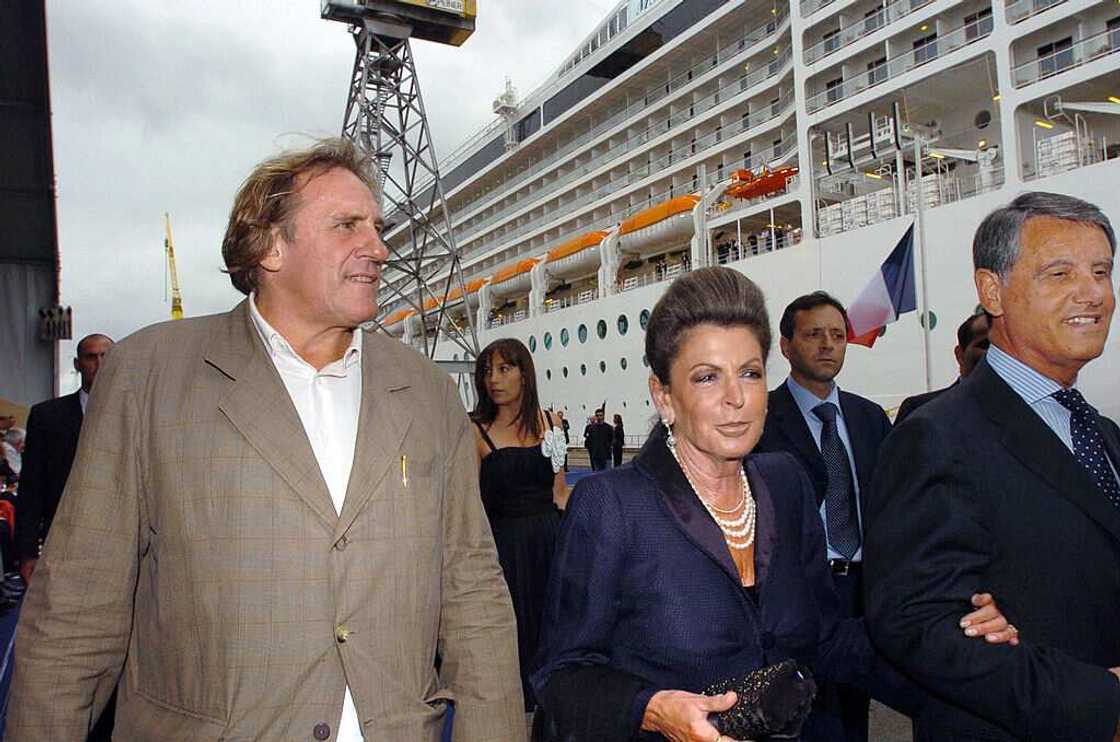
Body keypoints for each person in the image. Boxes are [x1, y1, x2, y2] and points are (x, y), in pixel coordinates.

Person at [7, 138, 525, 742]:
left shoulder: (428, 393)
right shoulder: (150, 376)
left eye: (377, 228)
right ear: (271, 246)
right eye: (347, 226)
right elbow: (74, 617)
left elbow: (473, 596)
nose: (380, 249)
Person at [532, 267, 1018, 742]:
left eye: (750, 373)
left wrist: (951, 640)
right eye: (706, 377)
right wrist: (655, 711)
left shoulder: (785, 482)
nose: (735, 398)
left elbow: (826, 637)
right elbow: (562, 675)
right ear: (664, 397)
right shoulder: (613, 505)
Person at [865, 191, 1120, 741]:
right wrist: (1104, 704)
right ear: (992, 291)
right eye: (1060, 273)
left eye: (1102, 270)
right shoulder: (934, 438)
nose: (1093, 292)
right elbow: (917, 622)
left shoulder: (1104, 435)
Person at [753, 291, 890, 742]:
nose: (829, 345)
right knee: (799, 715)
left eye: (837, 335)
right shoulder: (761, 420)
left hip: (862, 590)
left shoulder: (870, 419)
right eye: (814, 335)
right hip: (798, 590)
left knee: (854, 714)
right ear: (787, 345)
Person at [471, 338, 566, 714]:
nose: (493, 379)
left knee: (553, 636)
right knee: (514, 641)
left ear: (524, 374)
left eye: (504, 369)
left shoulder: (549, 423)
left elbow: (559, 493)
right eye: (487, 371)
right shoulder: (475, 431)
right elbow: (469, 505)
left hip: (551, 546)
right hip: (504, 551)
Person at [15, 333, 113, 585]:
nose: (99, 364)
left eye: (106, 356)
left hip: (123, 543)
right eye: (91, 357)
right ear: (77, 364)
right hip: (62, 542)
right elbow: (32, 486)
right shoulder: (47, 416)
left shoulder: (139, 413)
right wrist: (27, 553)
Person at [895, 310, 990, 424]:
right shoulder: (918, 410)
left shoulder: (1015, 407)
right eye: (986, 345)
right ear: (960, 355)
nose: (1000, 354)